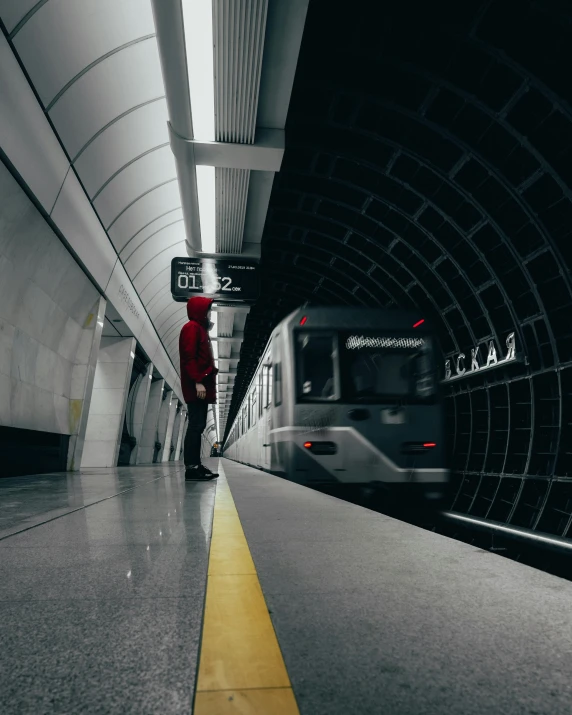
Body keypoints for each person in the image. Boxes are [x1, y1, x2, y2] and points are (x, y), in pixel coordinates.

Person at [179, 296, 219, 481]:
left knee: (199, 425)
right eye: (208, 309)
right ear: (199, 310)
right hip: (197, 386)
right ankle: (191, 468)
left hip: (201, 385)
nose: (209, 313)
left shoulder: (200, 329)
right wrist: (197, 381)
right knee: (196, 425)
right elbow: (189, 357)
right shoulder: (192, 328)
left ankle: (196, 465)